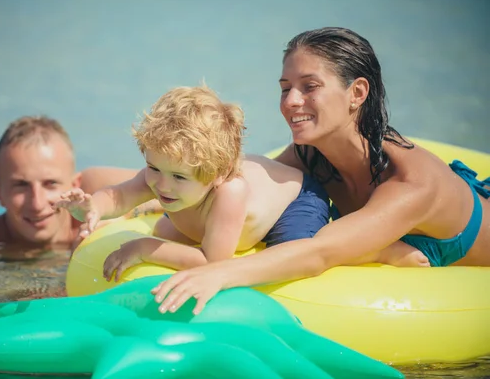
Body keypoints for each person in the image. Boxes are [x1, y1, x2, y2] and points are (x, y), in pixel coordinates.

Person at [150, 27, 490, 315]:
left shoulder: (411, 182)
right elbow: (243, 184)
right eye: (285, 88)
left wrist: (219, 273)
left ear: (357, 93)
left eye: (309, 87)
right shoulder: (311, 152)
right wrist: (158, 198)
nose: (290, 101)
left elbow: (317, 252)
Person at [56, 85, 330, 281]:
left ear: (217, 175)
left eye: (178, 176)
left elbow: (213, 263)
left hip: (296, 200)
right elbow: (119, 197)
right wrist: (93, 208)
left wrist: (143, 248)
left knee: (286, 258)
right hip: (210, 204)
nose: (162, 185)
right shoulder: (165, 172)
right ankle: (151, 209)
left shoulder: (230, 191)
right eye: (154, 167)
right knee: (165, 228)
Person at [0, 115, 161, 249]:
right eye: (21, 186)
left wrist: (118, 220)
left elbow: (182, 191)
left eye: (50, 184)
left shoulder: (102, 189)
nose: (37, 204)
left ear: (75, 184)